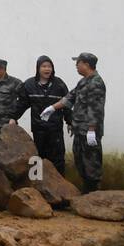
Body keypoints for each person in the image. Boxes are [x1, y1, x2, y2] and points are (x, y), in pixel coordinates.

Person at [42, 52, 105, 192]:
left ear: (86, 65)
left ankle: (93, 193)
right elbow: (69, 97)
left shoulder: (96, 83)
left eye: (78, 63)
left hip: (89, 131)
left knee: (91, 163)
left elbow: (95, 109)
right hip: (79, 130)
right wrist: (52, 108)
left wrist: (91, 130)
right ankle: (86, 192)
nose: (76, 66)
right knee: (80, 161)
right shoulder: (84, 81)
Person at [16, 55, 72, 174]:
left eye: (49, 66)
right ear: (38, 68)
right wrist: (13, 118)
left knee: (57, 159)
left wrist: (70, 121)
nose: (47, 69)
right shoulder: (29, 85)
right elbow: (21, 104)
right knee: (37, 158)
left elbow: (67, 104)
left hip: (55, 129)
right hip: (38, 129)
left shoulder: (59, 84)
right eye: (44, 66)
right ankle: (36, 186)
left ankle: (60, 187)